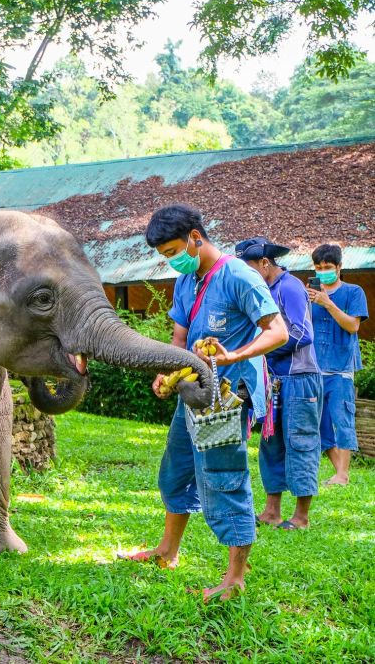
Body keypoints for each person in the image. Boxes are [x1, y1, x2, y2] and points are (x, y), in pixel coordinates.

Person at [123, 204, 287, 602]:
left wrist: (234, 355)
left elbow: (278, 331)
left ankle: (235, 578)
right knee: (176, 471)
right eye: (163, 255)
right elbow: (179, 340)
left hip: (228, 399)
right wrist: (166, 372)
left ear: (196, 237)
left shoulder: (238, 276)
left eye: (173, 250)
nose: (170, 259)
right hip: (193, 393)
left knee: (223, 477)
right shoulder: (186, 280)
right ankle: (168, 551)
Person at [236, 237, 322, 530]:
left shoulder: (290, 287)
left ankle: (301, 517)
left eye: (248, 269)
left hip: (300, 380)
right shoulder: (262, 290)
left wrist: (263, 347)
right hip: (272, 382)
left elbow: (302, 334)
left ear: (265, 263)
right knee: (270, 444)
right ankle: (271, 511)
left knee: (301, 443)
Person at [308, 244, 368, 486]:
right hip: (313, 368)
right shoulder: (309, 295)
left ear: (339, 267)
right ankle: (340, 473)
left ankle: (342, 475)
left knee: (342, 420)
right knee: (320, 426)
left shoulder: (354, 292)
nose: (323, 272)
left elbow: (353, 326)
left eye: (328, 268)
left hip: (341, 368)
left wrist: (328, 303)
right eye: (319, 268)